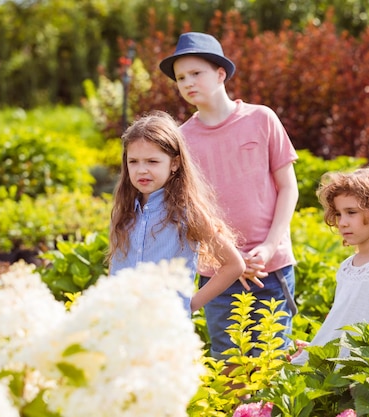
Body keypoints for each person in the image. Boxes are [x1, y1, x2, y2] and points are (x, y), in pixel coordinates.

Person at [159, 32, 299, 359]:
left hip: (270, 271)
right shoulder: (181, 139)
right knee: (230, 370)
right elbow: (188, 209)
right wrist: (230, 259)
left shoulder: (262, 119)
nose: (188, 82)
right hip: (218, 275)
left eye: (196, 73)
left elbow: (289, 188)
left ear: (220, 73)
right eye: (181, 78)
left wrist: (268, 246)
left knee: (272, 365)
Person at [108, 110, 246, 313]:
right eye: (133, 161)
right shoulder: (124, 212)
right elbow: (115, 269)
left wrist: (189, 306)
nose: (141, 170)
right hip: (122, 325)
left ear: (174, 163)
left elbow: (234, 265)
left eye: (152, 161)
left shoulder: (187, 213)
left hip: (166, 329)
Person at [291, 166, 369, 366]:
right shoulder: (347, 267)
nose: (342, 222)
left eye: (351, 212)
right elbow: (344, 320)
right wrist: (318, 347)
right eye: (339, 214)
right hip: (344, 369)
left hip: (367, 373)